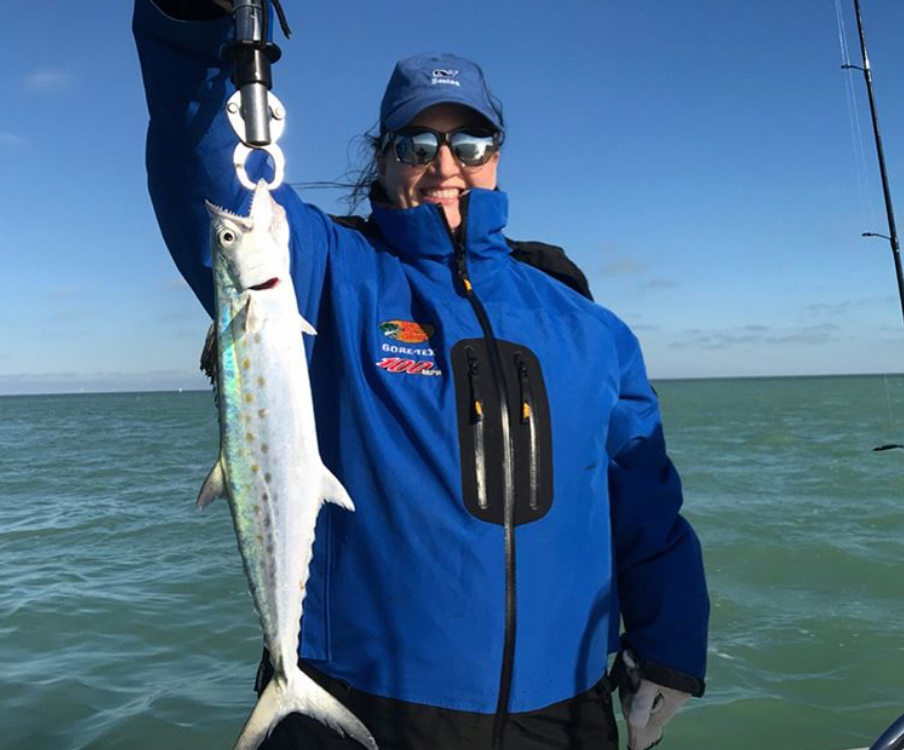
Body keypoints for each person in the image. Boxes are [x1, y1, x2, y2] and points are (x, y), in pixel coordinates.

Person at [133, 2, 710, 748]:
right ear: (383, 156)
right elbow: (205, 174)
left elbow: (644, 501)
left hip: (564, 718)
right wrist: (193, 26)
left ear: (497, 153)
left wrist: (669, 644)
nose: (445, 165)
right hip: (361, 714)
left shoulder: (589, 326)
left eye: (469, 142)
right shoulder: (328, 273)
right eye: (416, 143)